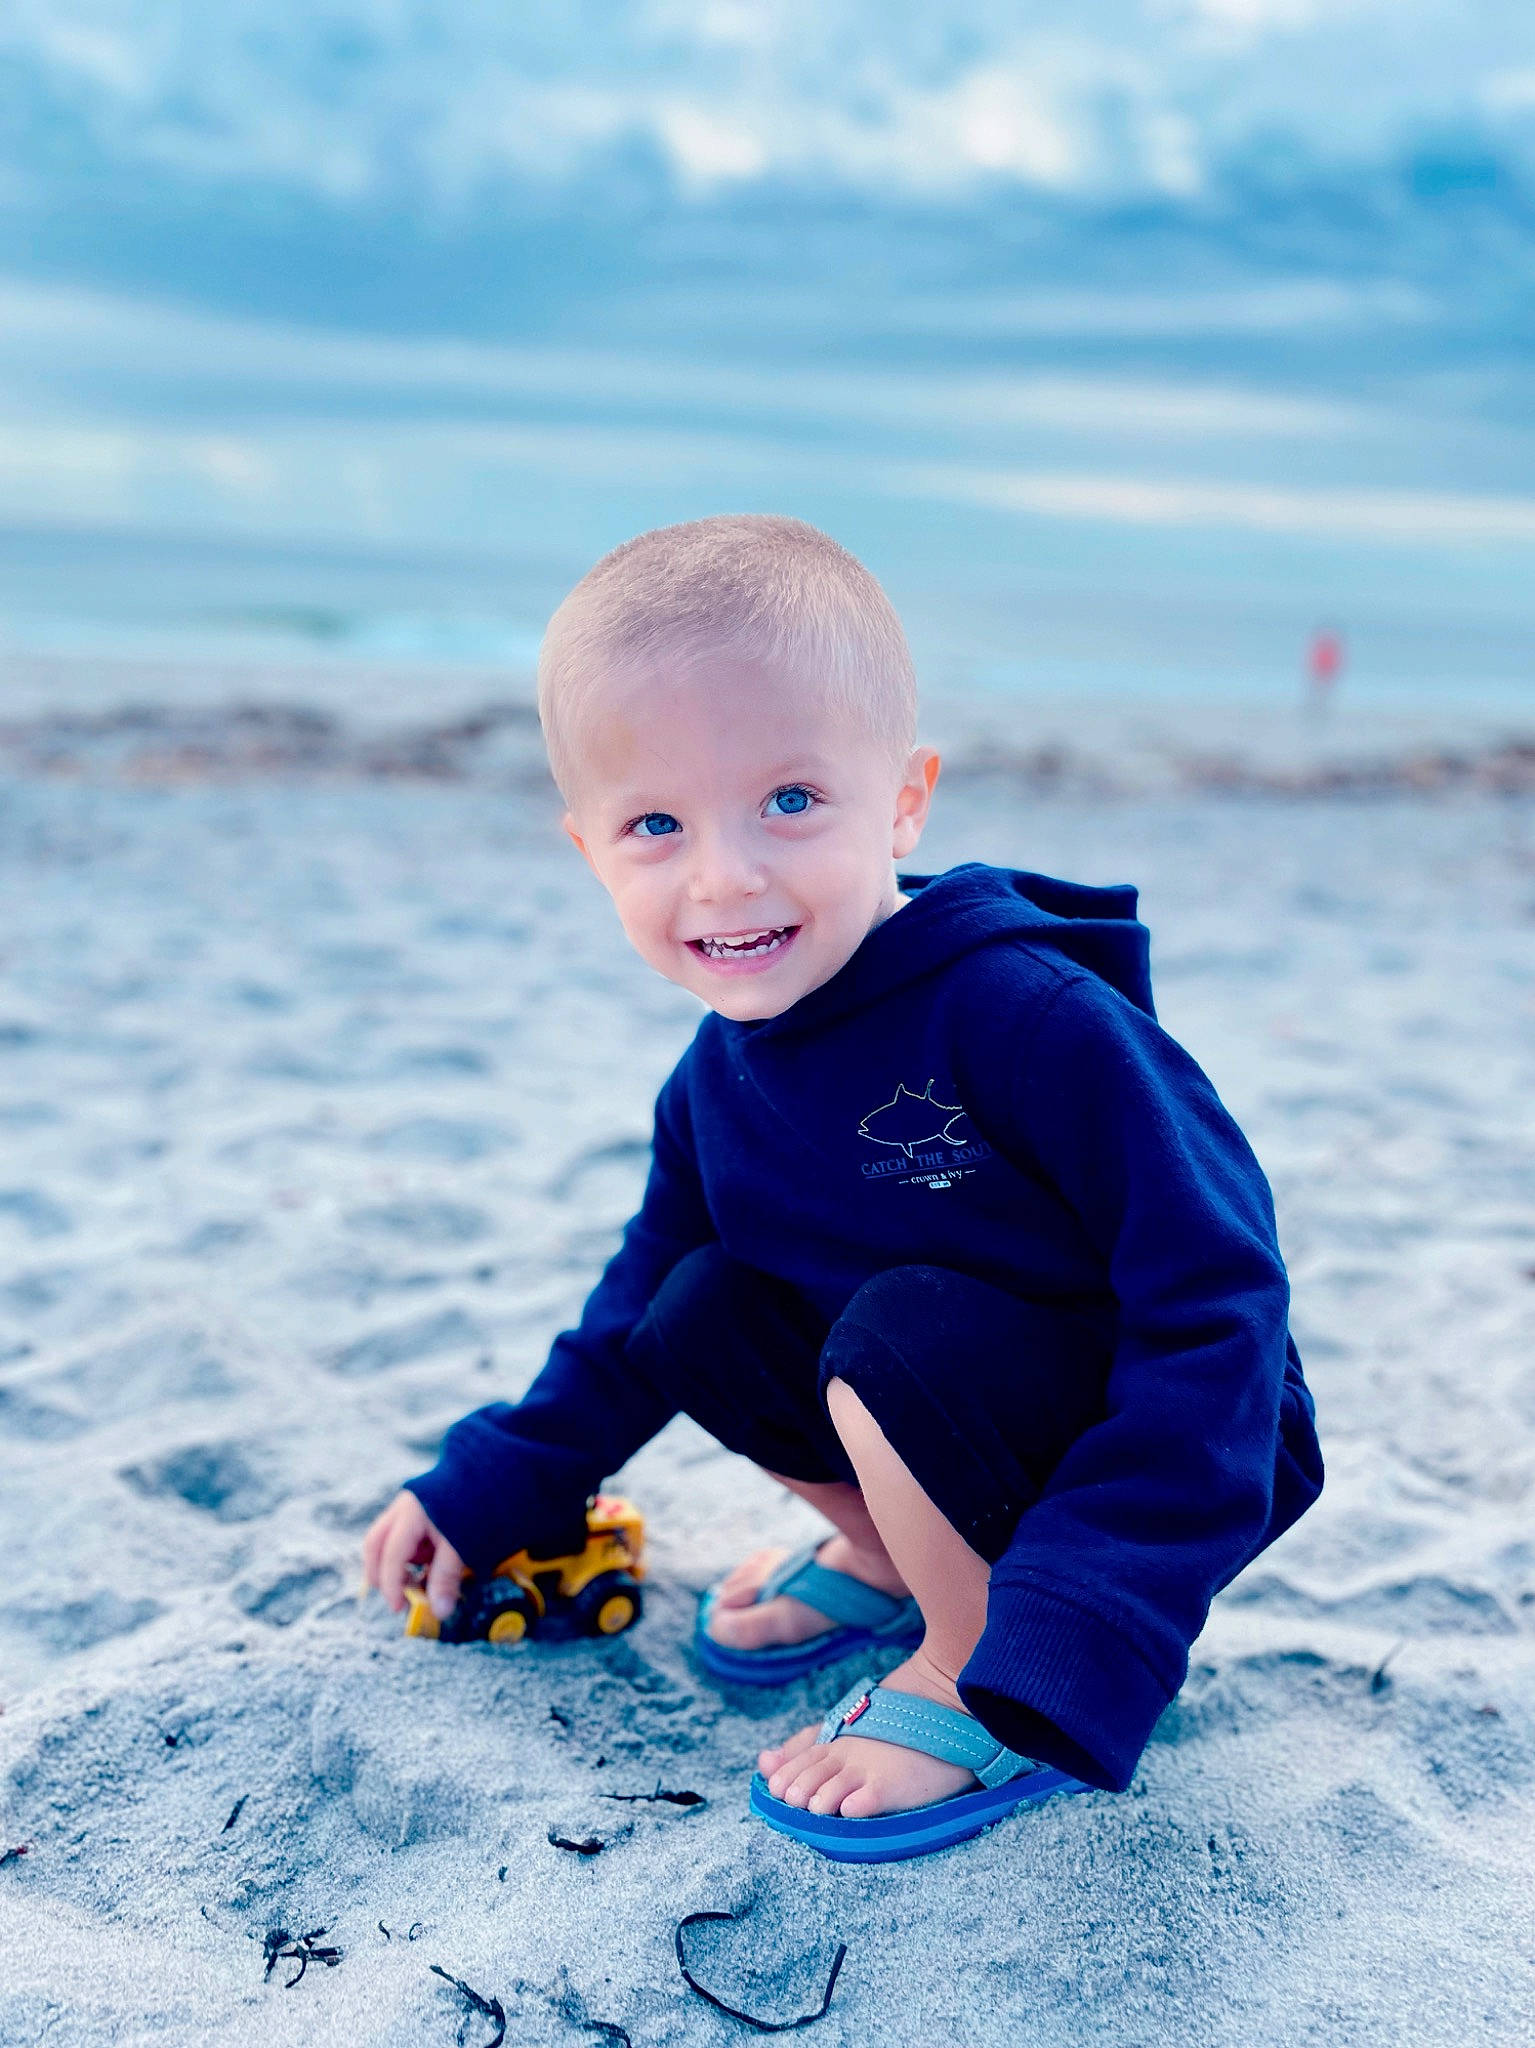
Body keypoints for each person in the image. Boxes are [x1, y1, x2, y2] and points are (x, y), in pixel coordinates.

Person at [361, 515, 1323, 1861]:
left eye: (792, 801)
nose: (728, 873)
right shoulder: (717, 1076)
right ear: (588, 849)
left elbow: (1221, 1302)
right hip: (949, 1414)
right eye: (657, 823)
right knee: (694, 1303)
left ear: (906, 797)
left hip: (1163, 1442)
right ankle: (891, 1556)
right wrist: (497, 1482)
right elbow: (628, 1316)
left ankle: (978, 1648)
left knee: (894, 1333)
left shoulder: (1028, 1018)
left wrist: (1093, 1617)